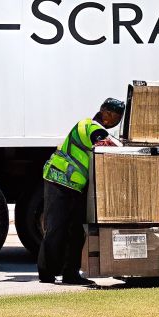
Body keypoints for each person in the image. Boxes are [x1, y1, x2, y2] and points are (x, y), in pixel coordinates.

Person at [38, 97, 125, 287]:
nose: (114, 121)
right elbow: (104, 142)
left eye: (118, 118)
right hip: (59, 180)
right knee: (56, 229)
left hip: (74, 186)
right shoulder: (89, 126)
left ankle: (70, 274)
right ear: (105, 112)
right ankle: (47, 273)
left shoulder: (95, 128)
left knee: (76, 232)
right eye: (114, 116)